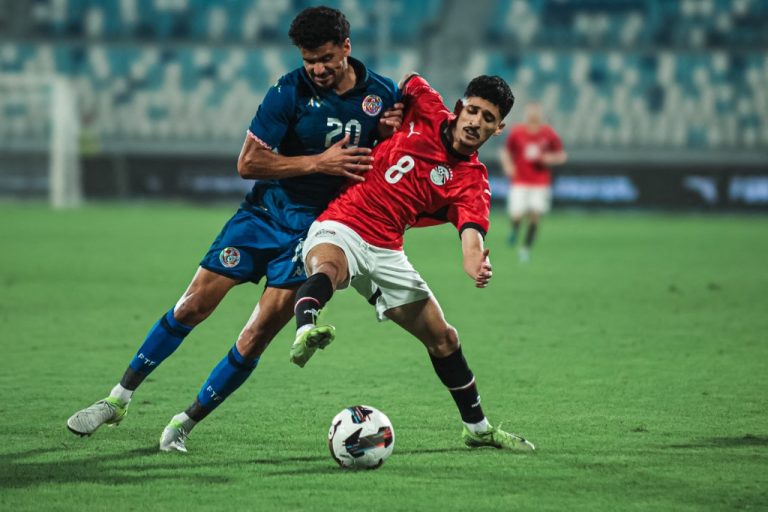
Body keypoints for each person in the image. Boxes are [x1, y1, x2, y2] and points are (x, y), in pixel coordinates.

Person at [66, 6, 403, 453]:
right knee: (193, 305)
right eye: (308, 60)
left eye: (325, 58)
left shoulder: (382, 95)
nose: (318, 69)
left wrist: (388, 136)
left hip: (321, 232)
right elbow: (247, 163)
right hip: (263, 216)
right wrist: (317, 163)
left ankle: (184, 424)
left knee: (257, 333)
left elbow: (403, 153)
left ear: (346, 47)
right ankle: (118, 398)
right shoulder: (287, 91)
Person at [289, 73, 535, 451]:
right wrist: (388, 114)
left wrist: (474, 260)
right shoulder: (425, 104)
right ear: (459, 109)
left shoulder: (472, 179)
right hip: (344, 221)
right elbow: (405, 82)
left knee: (444, 339)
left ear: (499, 128)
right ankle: (305, 330)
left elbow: (472, 232)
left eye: (488, 118)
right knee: (330, 272)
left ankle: (477, 428)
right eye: (472, 111)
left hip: (388, 249)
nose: (476, 122)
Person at [499, 102, 567, 262]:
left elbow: (561, 155)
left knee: (535, 216)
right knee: (516, 215)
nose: (533, 116)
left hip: (540, 183)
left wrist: (549, 158)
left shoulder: (548, 133)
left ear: (540, 114)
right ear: (526, 114)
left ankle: (525, 249)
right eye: (531, 112)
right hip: (520, 182)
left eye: (536, 113)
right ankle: (515, 230)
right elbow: (505, 152)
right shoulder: (517, 132)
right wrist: (508, 166)